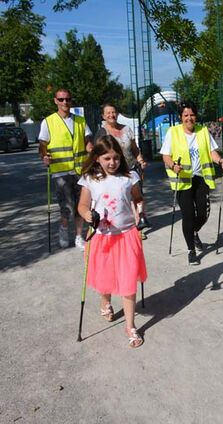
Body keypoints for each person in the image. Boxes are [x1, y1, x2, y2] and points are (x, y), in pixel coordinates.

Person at [77, 135, 147, 348]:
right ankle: (105, 301)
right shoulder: (90, 179)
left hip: (126, 236)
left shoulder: (129, 177)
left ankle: (130, 325)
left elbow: (138, 198)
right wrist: (87, 215)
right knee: (105, 275)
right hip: (102, 237)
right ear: (97, 158)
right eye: (107, 158)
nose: (112, 162)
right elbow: (82, 205)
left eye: (116, 157)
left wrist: (139, 210)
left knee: (128, 281)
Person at [160, 100, 223, 265]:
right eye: (185, 115)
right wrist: (173, 165)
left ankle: (193, 232)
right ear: (180, 117)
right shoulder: (173, 132)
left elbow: (212, 152)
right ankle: (191, 250)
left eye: (192, 115)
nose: (189, 118)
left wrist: (220, 161)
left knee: (203, 214)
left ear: (196, 116)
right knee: (188, 215)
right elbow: (166, 155)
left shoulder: (203, 131)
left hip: (201, 178)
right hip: (183, 180)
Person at [38, 88, 93, 250]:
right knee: (67, 206)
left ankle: (78, 236)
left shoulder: (80, 121)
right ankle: (63, 230)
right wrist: (44, 157)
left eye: (67, 99)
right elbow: (42, 144)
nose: (65, 102)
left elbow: (88, 136)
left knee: (81, 205)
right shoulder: (48, 121)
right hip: (61, 171)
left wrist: (89, 143)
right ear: (55, 101)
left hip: (80, 170)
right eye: (61, 99)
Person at [94, 103, 149, 239]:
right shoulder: (102, 133)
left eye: (114, 112)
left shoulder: (127, 129)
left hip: (130, 169)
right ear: (103, 116)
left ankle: (139, 224)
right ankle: (124, 226)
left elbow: (135, 149)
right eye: (108, 113)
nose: (111, 115)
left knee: (137, 198)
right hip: (113, 172)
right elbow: (99, 154)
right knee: (122, 200)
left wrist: (141, 160)